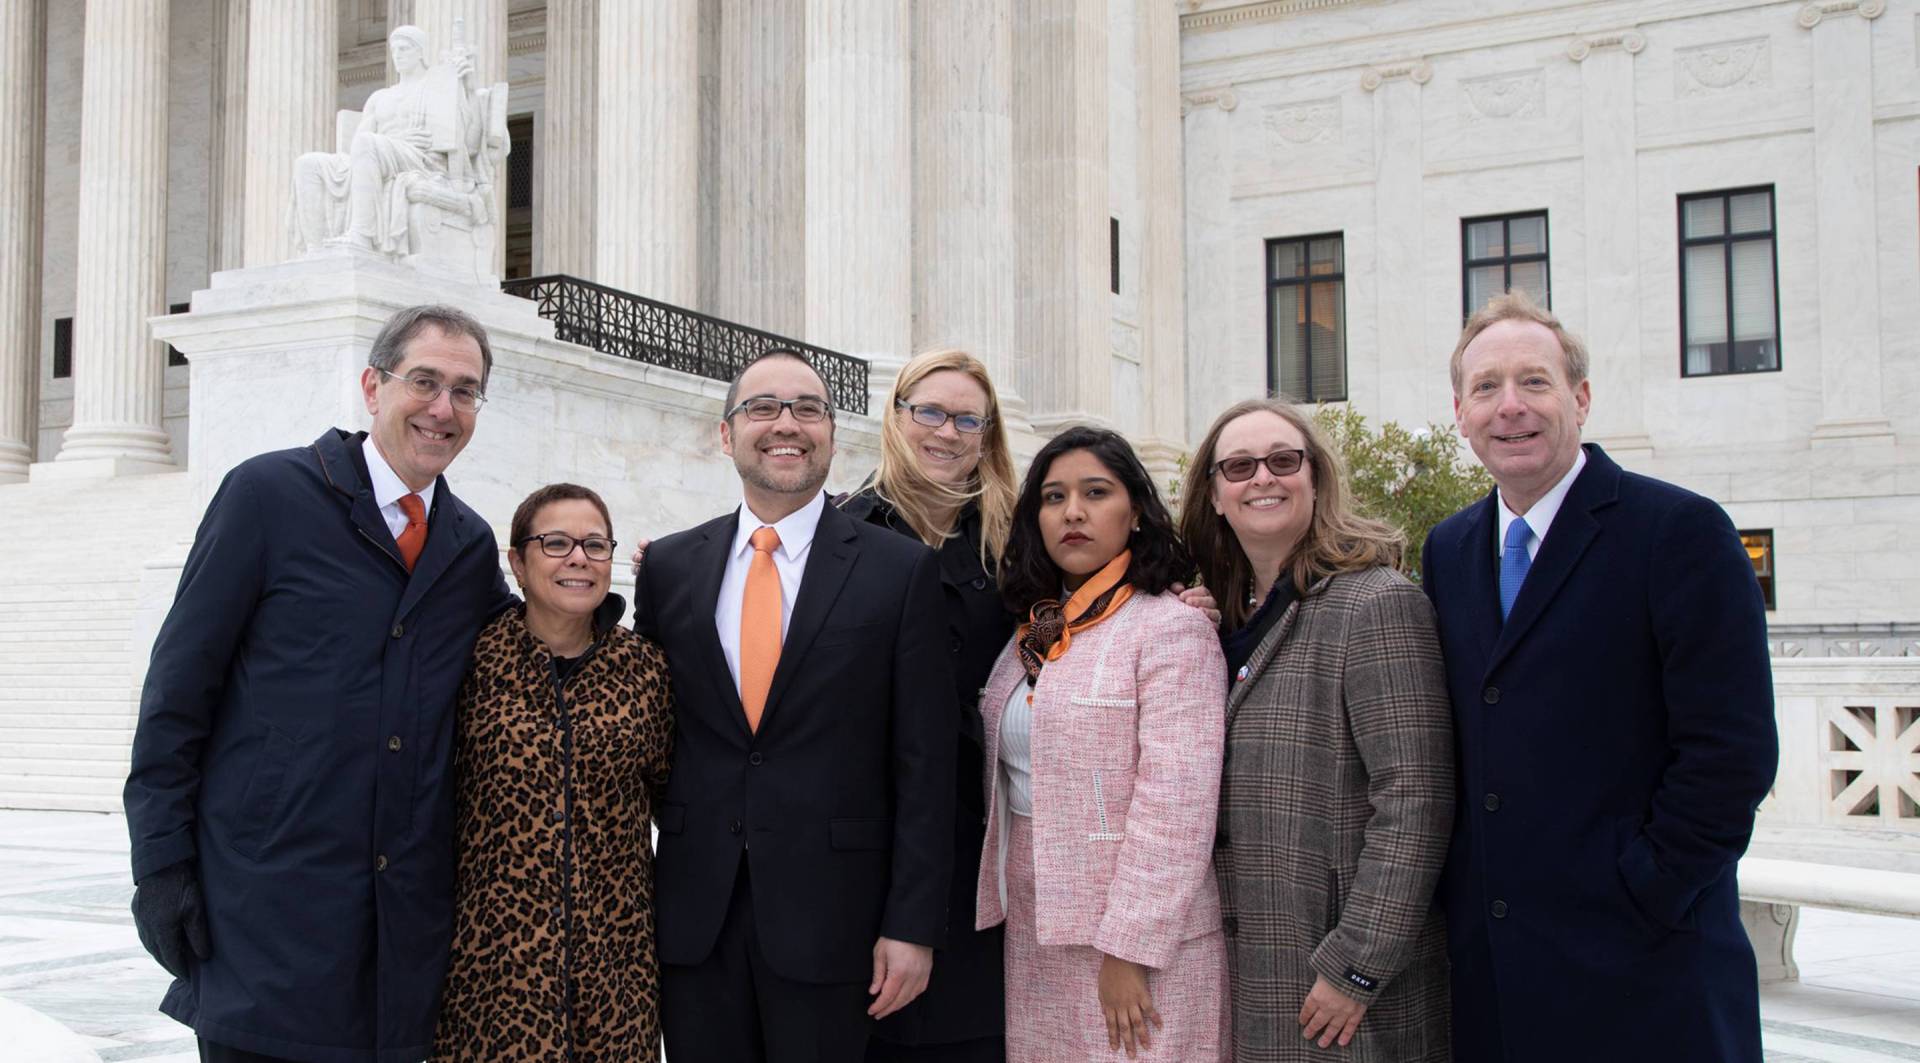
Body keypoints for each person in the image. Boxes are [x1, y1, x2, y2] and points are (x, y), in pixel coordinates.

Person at [123, 304, 513, 1062]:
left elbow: (527, 650)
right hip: (263, 921)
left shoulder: (468, 545)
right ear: (373, 386)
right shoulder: (267, 495)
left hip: (398, 945)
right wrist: (161, 864)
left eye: (465, 391)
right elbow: (178, 691)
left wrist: (621, 583)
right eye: (424, 381)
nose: (443, 408)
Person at [1423, 292, 1778, 1062]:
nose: (1510, 405)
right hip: (1496, 981)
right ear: (1460, 412)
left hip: (1647, 972)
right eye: (1486, 387)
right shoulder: (1448, 549)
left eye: (1535, 381)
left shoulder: (1679, 532)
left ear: (1580, 398)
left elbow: (1731, 754)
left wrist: (1648, 889)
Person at [631, 349, 958, 1061]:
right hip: (696, 920)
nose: (787, 424)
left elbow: (927, 765)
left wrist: (912, 924)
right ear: (726, 435)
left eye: (808, 409)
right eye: (763, 408)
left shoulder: (900, 571)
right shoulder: (669, 567)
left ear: (832, 436)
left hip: (838, 923)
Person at [1179, 398, 1454, 1061]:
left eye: (1283, 460)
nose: (1262, 478)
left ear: (1315, 476)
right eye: (1239, 466)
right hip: (1249, 971)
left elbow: (1416, 799)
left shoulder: (1376, 603)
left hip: (1341, 984)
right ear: (1214, 495)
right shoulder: (1220, 621)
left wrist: (1357, 963)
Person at [975, 426, 1229, 1062]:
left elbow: (1177, 805)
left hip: (1139, 938)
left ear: (1134, 511)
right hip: (1036, 923)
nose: (1073, 512)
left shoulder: (1171, 628)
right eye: (1054, 497)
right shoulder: (1032, 632)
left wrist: (1129, 949)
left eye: (1095, 492)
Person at [433, 484, 674, 1060]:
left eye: (595, 545)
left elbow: (677, 804)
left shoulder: (647, 671)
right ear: (517, 563)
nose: (579, 559)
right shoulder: (470, 662)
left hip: (616, 978)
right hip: (488, 979)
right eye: (557, 543)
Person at [836, 349, 1019, 1063]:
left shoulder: (1016, 540)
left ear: (987, 433)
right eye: (931, 412)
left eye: (968, 419)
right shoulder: (841, 530)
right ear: (897, 415)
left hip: (984, 844)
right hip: (867, 844)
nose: (947, 432)